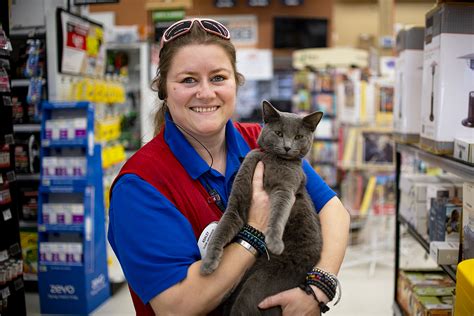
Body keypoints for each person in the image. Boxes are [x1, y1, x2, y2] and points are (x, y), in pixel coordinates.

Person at [108, 18, 351, 315]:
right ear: (163, 90)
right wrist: (255, 231)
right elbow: (176, 306)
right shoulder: (141, 184)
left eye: (219, 78)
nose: (206, 93)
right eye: (188, 80)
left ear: (236, 83)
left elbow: (334, 211)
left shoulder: (260, 141)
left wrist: (318, 289)